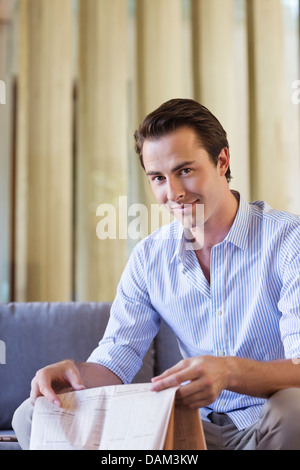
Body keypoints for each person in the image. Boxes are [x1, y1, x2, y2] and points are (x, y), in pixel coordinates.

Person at [13, 98, 300, 450]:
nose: (174, 193)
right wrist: (73, 374)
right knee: (32, 414)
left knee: (296, 409)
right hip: (187, 431)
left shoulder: (288, 241)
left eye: (185, 170)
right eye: (159, 178)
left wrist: (228, 370)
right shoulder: (150, 257)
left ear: (221, 161)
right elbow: (115, 361)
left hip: (268, 425)